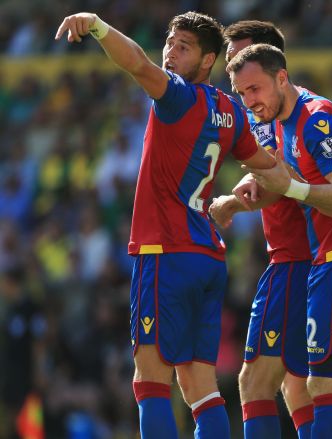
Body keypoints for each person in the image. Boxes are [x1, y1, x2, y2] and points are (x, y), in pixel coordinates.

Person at [55, 11, 276, 438]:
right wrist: (318, 187)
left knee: (150, 382)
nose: (171, 53)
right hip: (207, 257)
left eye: (184, 47)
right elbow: (271, 169)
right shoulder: (231, 111)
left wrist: (97, 25)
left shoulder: (178, 97)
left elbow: (137, 63)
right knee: (199, 386)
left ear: (208, 60)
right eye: (170, 43)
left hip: (166, 253)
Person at [226, 43, 332, 438]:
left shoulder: (316, 119)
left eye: (255, 88)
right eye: (242, 93)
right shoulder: (283, 122)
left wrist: (293, 187)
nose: (249, 101)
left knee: (324, 385)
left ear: (281, 78)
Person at [209, 20, 314, 438]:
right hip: (305, 258)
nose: (232, 67)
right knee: (301, 386)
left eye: (241, 56)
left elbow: (283, 181)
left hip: (295, 260)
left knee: (254, 383)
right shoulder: (277, 113)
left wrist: (231, 203)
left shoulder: (292, 116)